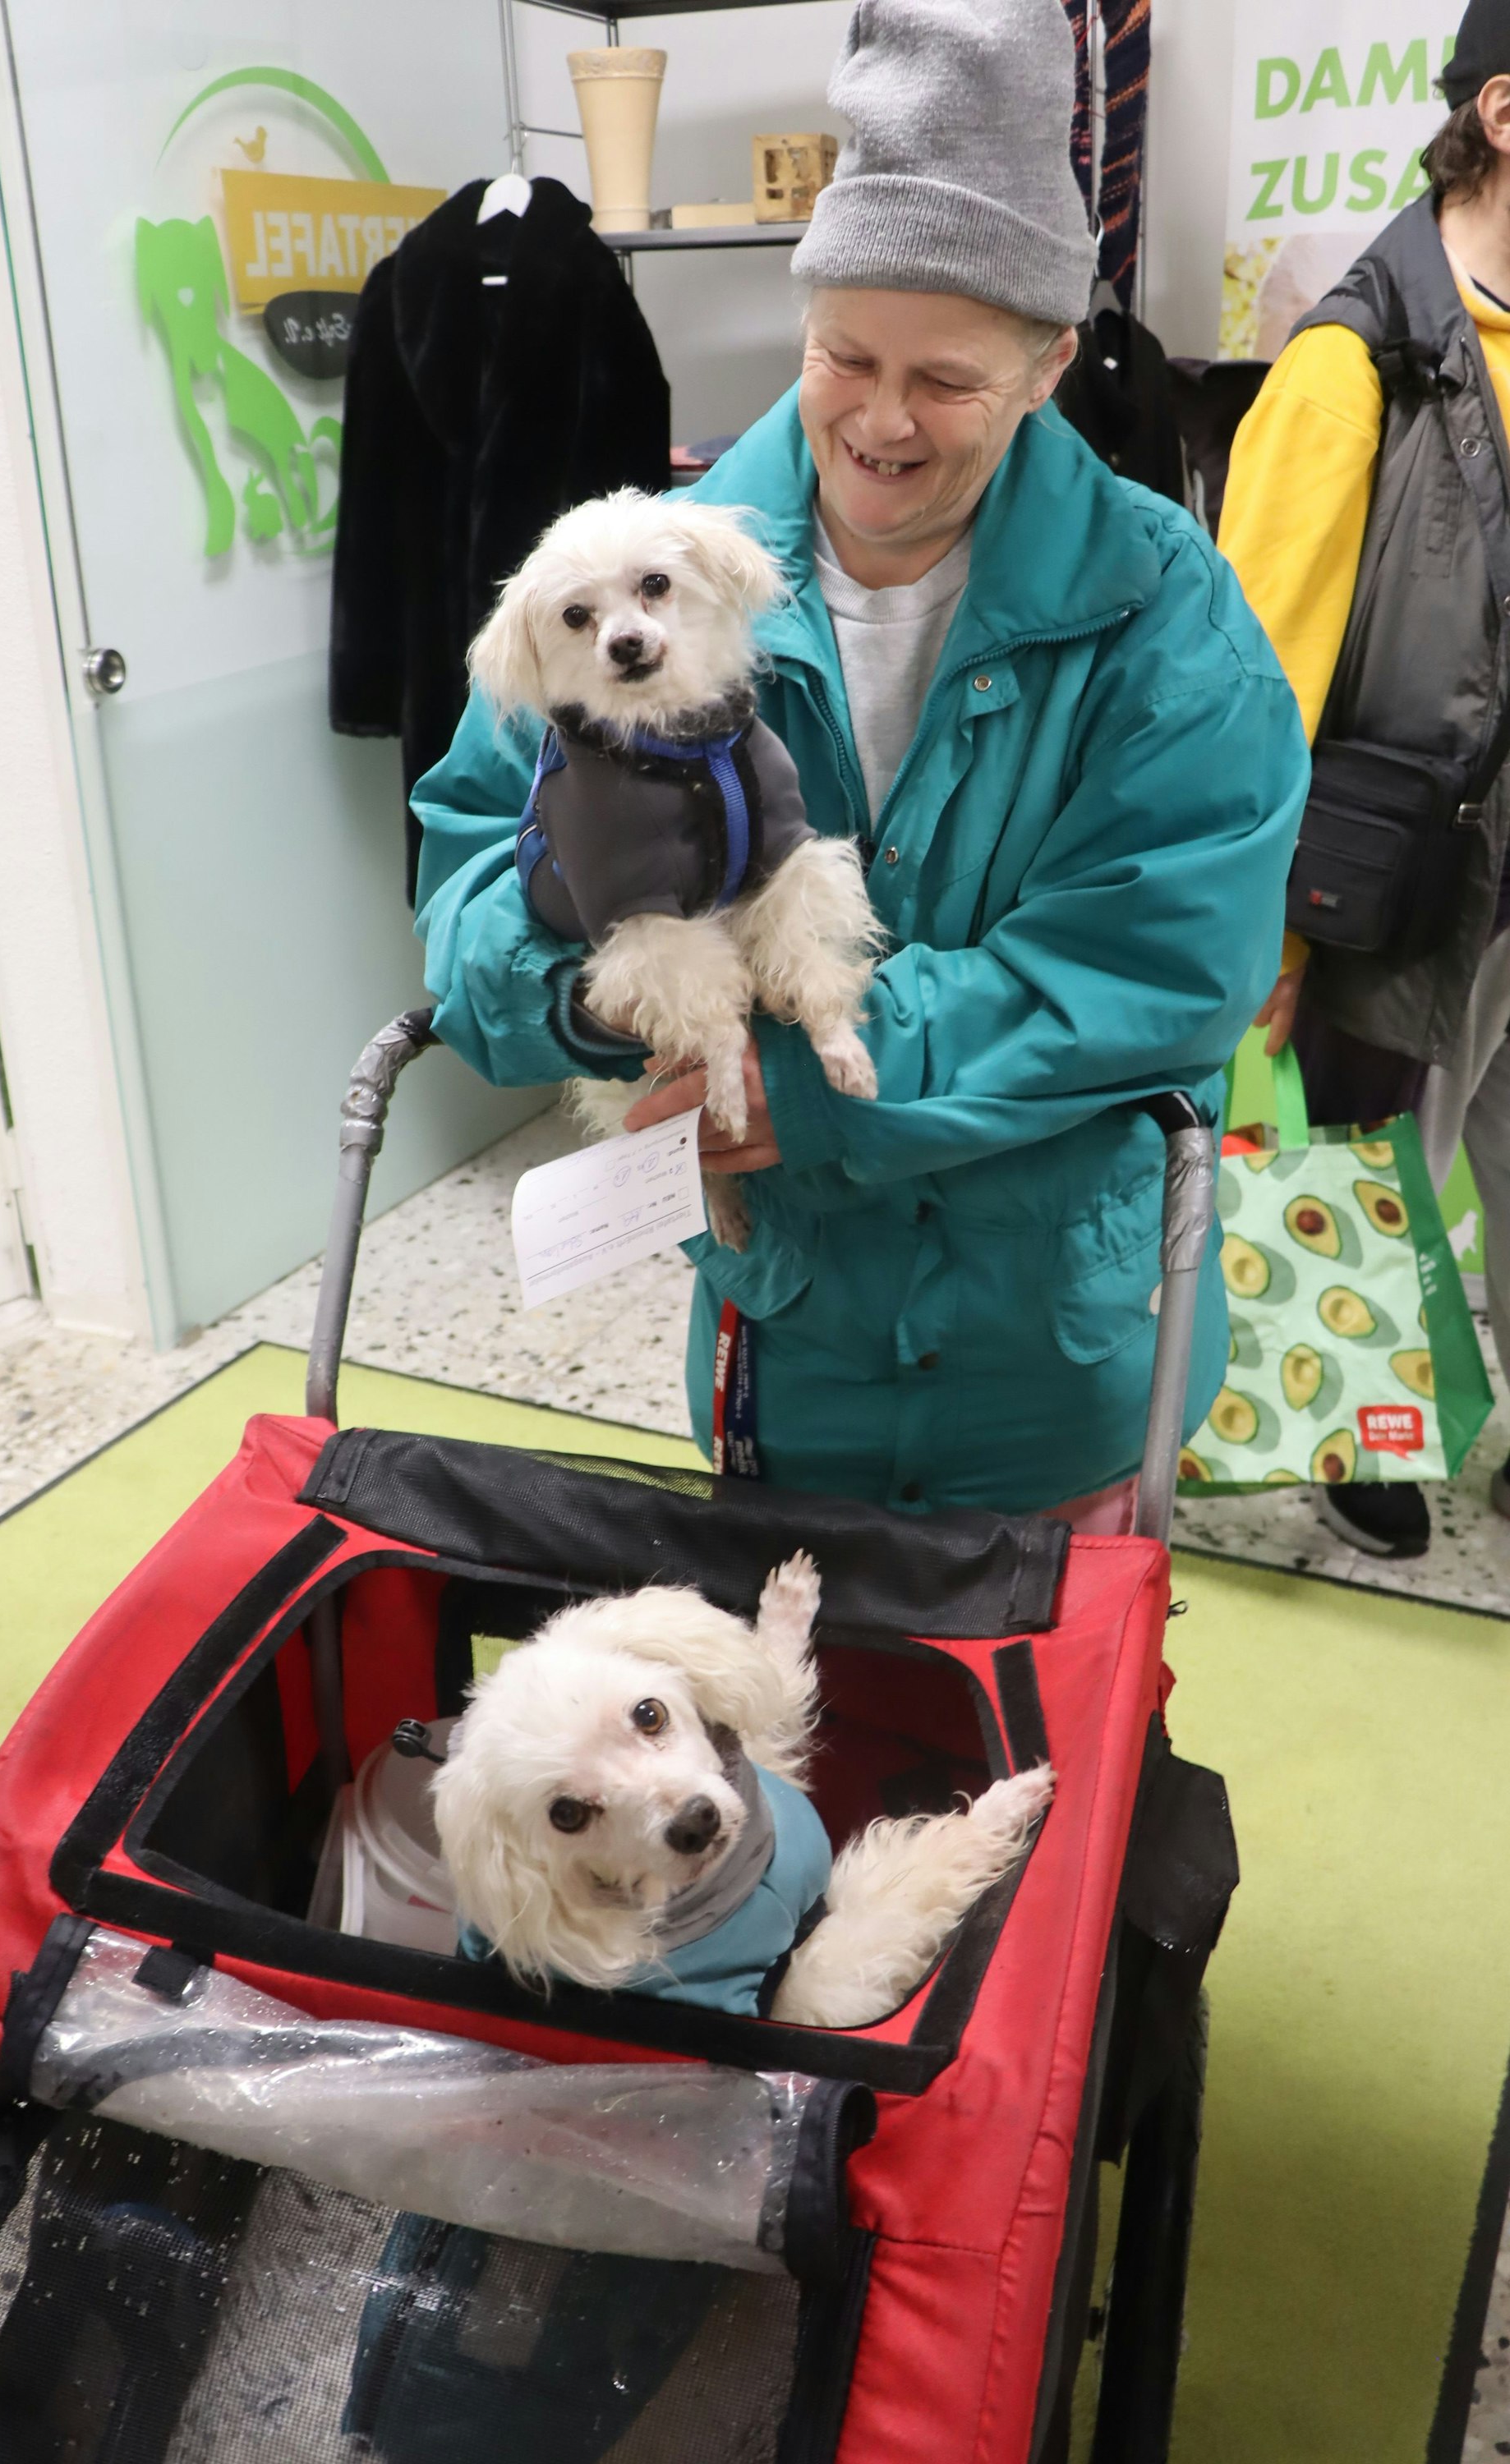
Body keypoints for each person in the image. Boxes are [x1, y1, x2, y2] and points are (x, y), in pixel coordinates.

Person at [414, 0, 1308, 1524]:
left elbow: (1153, 971)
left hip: (1054, 1358)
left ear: (1047, 365)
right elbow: (470, 881)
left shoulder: (1164, 616)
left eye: (948, 379)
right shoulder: (634, 571)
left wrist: (801, 1090)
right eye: (845, 355)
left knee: (1051, 1732)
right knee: (785, 1719)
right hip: (785, 1326)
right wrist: (589, 989)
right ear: (802, 314)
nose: (881, 422)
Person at [1222, 0, 1510, 1561]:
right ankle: (1350, 1438)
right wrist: (1261, 931)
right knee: (1354, 1138)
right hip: (1394, 856)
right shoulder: (1355, 360)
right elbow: (1249, 673)